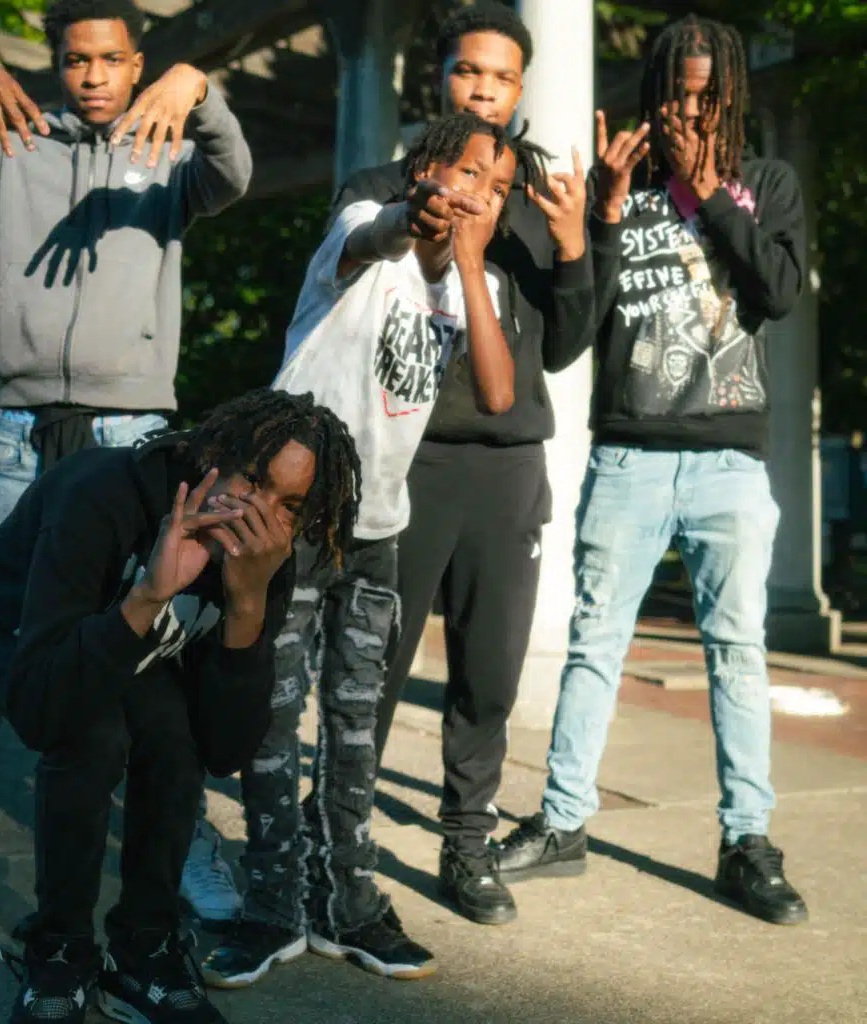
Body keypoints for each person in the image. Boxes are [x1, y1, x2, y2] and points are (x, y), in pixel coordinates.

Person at [0, 0, 252, 944]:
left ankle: (181, 839)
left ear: (137, 63)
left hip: (134, 437)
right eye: (76, 59)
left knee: (154, 649)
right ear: (57, 63)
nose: (93, 76)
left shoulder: (170, 154)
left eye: (111, 59)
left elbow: (233, 173)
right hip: (20, 436)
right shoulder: (5, 145)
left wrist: (199, 89)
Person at [204, 110, 580, 988]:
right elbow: (372, 237)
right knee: (272, 722)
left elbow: (498, 392)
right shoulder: (365, 228)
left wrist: (473, 263)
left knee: (355, 731)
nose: (480, 195)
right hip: (290, 529)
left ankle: (350, 902)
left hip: (376, 532)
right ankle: (272, 906)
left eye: (498, 188)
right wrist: (412, 218)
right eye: (468, 173)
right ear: (423, 171)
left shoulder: (466, 288)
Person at [495, 14, 809, 927]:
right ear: (654, 95)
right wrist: (598, 215)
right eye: (678, 94)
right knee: (596, 645)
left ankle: (746, 841)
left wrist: (710, 192)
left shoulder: (767, 183)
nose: (692, 112)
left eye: (709, 96)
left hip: (729, 461)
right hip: (630, 452)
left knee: (737, 652)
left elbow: (779, 293)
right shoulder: (621, 186)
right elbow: (573, 333)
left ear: (732, 97)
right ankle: (563, 823)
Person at [0, 389, 361, 1024]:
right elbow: (47, 710)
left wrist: (246, 605)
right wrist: (149, 595)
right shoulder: (101, 494)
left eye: (290, 505)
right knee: (92, 734)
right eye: (253, 480)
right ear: (215, 455)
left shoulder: (264, 553)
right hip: (17, 640)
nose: (261, 514)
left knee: (175, 734)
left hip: (127, 645)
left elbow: (224, 749)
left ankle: (144, 949)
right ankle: (59, 949)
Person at [328, 0, 593, 926]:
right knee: (374, 666)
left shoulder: (536, 197)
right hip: (405, 460)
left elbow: (565, 347)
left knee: (490, 673)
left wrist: (574, 247)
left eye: (503, 76)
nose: (484, 89)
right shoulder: (383, 186)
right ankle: (339, 843)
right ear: (435, 78)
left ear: (521, 90)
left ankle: (467, 844)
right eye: (468, 70)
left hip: (509, 468)